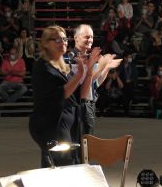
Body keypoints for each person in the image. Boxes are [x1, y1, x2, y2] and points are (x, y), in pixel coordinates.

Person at [29, 26, 100, 168]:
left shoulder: (62, 66)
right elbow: (61, 94)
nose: (63, 42)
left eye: (64, 39)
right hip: (52, 125)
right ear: (45, 44)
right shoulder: (42, 66)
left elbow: (79, 93)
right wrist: (80, 74)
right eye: (57, 39)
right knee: (63, 164)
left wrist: (94, 69)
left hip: (68, 124)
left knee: (63, 164)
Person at [72, 24, 121, 134]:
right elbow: (83, 83)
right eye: (86, 36)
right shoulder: (72, 58)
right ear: (76, 38)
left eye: (92, 37)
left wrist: (106, 68)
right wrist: (102, 66)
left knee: (88, 142)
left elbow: (95, 83)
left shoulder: (90, 58)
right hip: (79, 105)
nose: (90, 40)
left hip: (89, 105)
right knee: (80, 141)